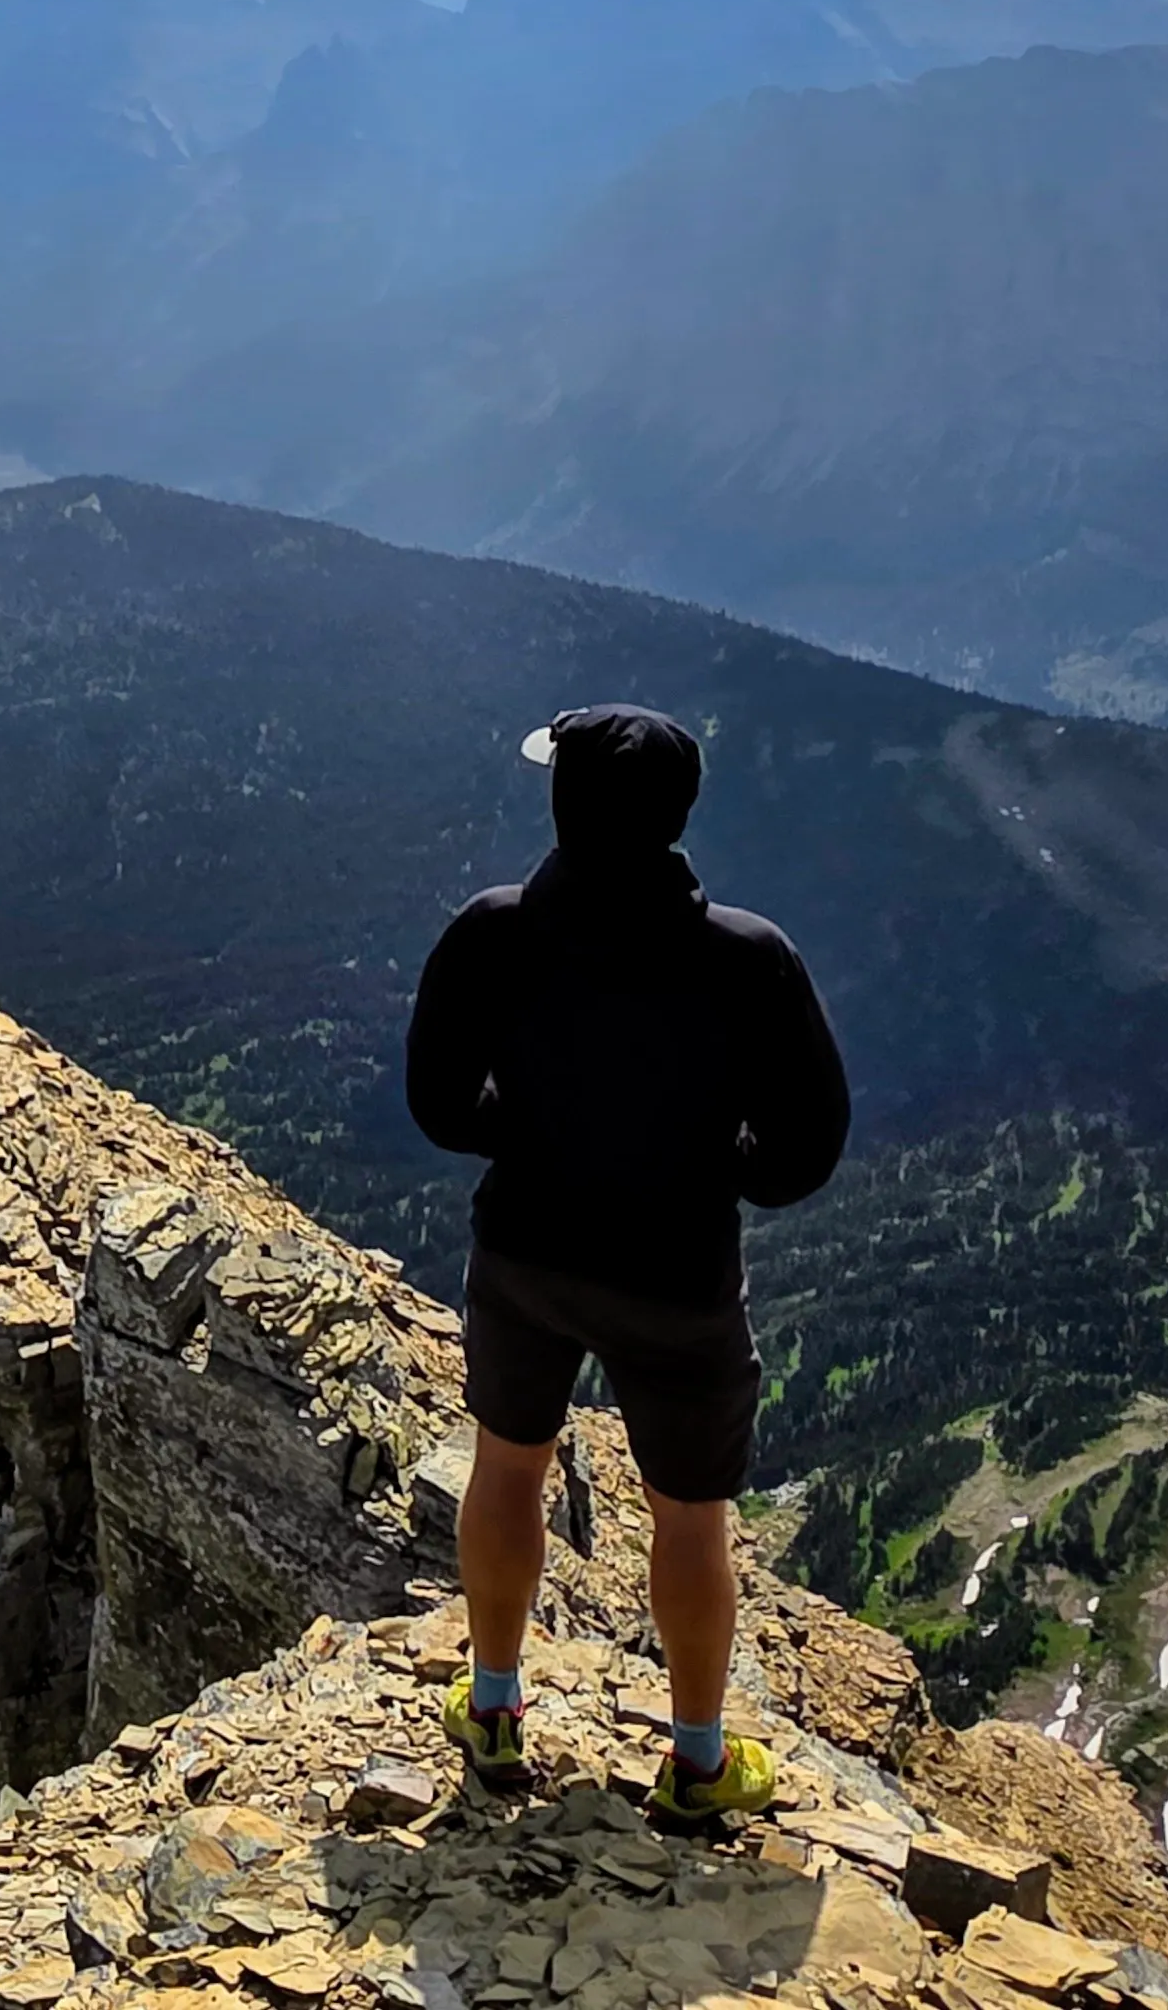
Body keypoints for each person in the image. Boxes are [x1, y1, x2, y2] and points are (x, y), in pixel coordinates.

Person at [404, 703, 851, 1828]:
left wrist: (520, 1130)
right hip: (677, 1271)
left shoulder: (493, 931)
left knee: (508, 1468)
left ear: (560, 804)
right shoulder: (747, 957)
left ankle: (494, 1709)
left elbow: (437, 1100)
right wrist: (722, 1167)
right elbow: (808, 1141)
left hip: (527, 1252)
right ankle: (697, 1765)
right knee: (689, 1519)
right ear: (677, 814)